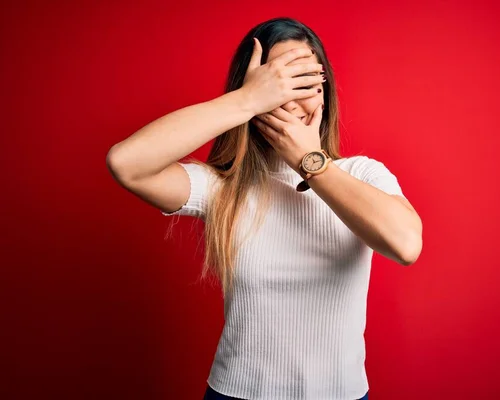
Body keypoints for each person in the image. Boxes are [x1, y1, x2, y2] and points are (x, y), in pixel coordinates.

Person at [106, 16, 422, 400]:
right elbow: (127, 163)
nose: (291, 100)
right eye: (276, 85)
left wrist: (308, 158)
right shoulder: (222, 188)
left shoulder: (362, 174)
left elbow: (405, 244)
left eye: (305, 83)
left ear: (324, 93)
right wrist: (246, 101)